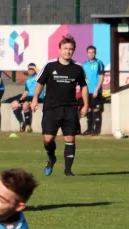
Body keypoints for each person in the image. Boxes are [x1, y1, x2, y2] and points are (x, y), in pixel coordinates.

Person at [31, 35, 88, 177]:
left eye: (71, 49)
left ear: (74, 50)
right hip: (51, 107)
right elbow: (40, 83)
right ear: (60, 49)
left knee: (70, 138)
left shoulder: (78, 68)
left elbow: (84, 86)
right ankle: (51, 158)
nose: (68, 51)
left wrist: (86, 104)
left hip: (70, 108)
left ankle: (68, 171)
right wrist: (35, 98)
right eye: (65, 48)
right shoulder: (50, 66)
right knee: (48, 139)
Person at [10, 63, 44, 132]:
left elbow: (41, 73)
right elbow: (26, 92)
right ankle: (22, 123)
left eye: (32, 69)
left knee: (25, 105)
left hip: (37, 97)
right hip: (28, 97)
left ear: (35, 69)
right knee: (14, 104)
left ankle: (28, 126)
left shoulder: (38, 77)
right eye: (29, 69)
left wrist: (34, 67)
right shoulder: (28, 80)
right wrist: (21, 99)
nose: (31, 70)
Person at [81, 46, 105, 135]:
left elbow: (101, 78)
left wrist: (96, 90)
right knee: (89, 110)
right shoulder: (84, 64)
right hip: (87, 92)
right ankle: (89, 129)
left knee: (96, 110)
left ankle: (96, 130)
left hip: (96, 92)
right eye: (89, 52)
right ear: (87, 53)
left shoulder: (99, 63)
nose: (91, 54)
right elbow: (83, 78)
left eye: (93, 52)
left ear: (95, 53)